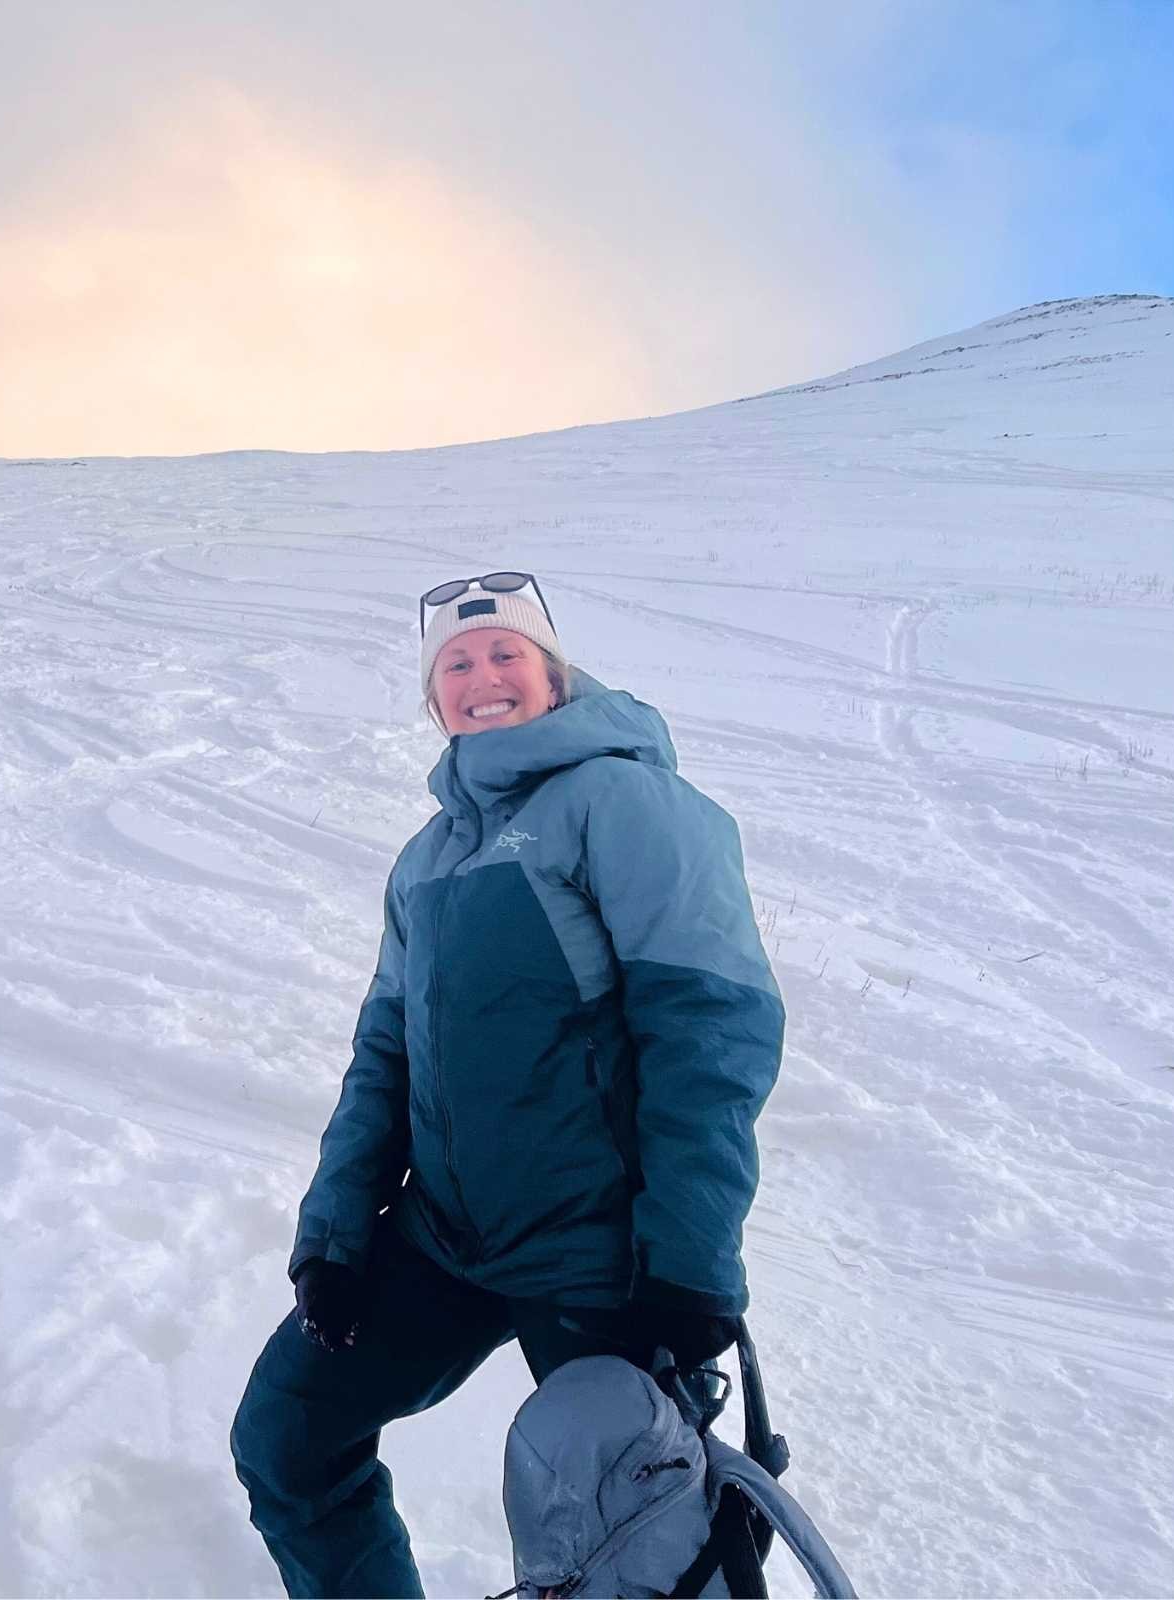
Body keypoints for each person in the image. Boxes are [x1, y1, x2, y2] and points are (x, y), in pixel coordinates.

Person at [229, 571, 785, 1599]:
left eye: (505, 654)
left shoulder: (624, 800)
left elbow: (709, 1030)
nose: (482, 677)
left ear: (552, 672)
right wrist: (338, 1235)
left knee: (639, 1544)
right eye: (456, 664)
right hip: (446, 1240)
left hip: (601, 1262)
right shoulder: (428, 858)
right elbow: (385, 1052)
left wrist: (691, 1264)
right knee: (289, 1434)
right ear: (433, 699)